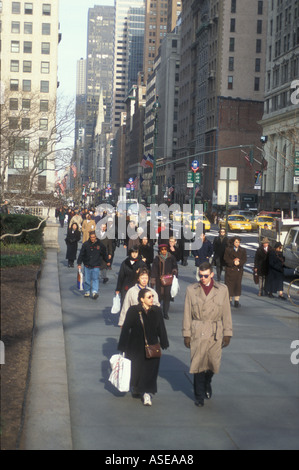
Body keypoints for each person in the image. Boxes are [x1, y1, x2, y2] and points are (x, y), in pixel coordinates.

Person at [182, 262, 233, 408]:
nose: (202, 278)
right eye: (200, 275)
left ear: (211, 275)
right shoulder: (191, 289)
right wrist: (186, 334)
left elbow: (226, 312)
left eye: (205, 275)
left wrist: (227, 333)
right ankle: (199, 396)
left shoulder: (222, 290)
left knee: (212, 364)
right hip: (198, 329)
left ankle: (207, 382)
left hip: (215, 331)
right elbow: (187, 313)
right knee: (198, 365)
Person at [117, 288, 169, 406]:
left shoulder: (156, 311)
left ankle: (146, 393)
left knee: (150, 371)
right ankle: (136, 387)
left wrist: (164, 341)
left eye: (152, 296)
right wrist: (122, 346)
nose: (152, 299)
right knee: (136, 368)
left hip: (152, 345)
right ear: (142, 299)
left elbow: (161, 327)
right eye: (149, 297)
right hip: (135, 346)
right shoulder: (133, 311)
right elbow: (126, 329)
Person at [77, 231, 109, 299]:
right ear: (89, 237)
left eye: (93, 237)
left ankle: (94, 291)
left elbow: (104, 253)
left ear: (96, 237)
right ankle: (87, 291)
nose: (92, 239)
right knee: (87, 279)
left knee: (95, 279)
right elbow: (81, 254)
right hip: (87, 264)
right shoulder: (86, 244)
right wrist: (79, 263)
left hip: (96, 264)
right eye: (91, 237)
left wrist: (107, 261)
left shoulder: (100, 245)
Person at [150, 244, 178, 320]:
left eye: (165, 249)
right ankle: (157, 312)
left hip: (168, 280)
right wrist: (153, 280)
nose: (164, 251)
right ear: (160, 250)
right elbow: (154, 270)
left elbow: (175, 266)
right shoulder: (157, 258)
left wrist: (174, 272)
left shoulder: (171, 258)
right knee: (158, 296)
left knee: (167, 297)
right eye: (162, 249)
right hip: (159, 280)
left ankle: (165, 313)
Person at [224, 236, 247, 308]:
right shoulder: (228, 249)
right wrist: (233, 262)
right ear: (233, 242)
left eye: (239, 242)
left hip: (238, 270)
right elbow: (225, 259)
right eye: (236, 242)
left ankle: (236, 300)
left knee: (237, 285)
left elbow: (244, 259)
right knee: (229, 285)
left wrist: (239, 263)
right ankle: (229, 300)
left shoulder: (243, 250)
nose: (238, 243)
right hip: (230, 270)